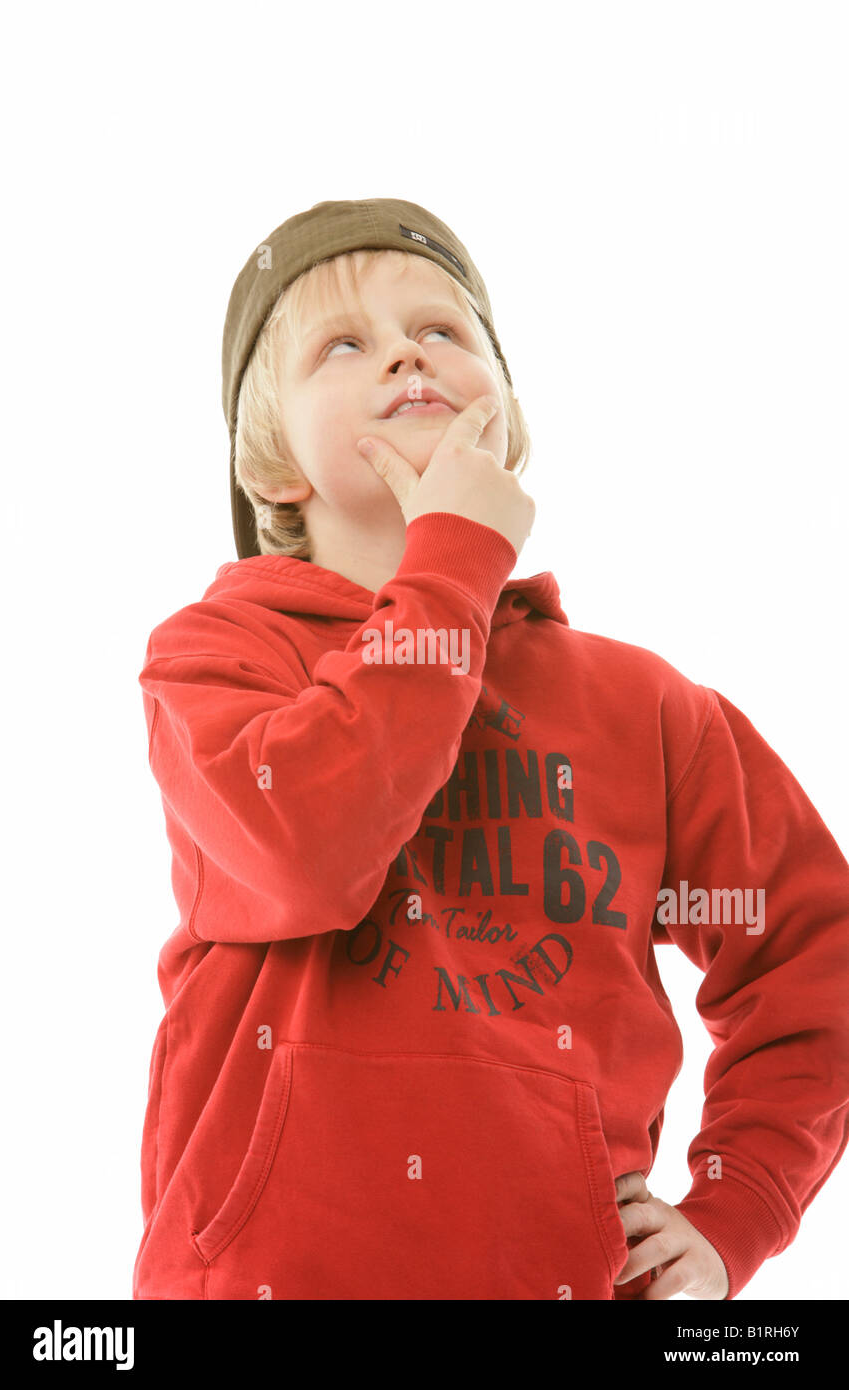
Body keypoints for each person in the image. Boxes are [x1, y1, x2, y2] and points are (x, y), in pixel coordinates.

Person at [132, 197, 849, 1301]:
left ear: (504, 420)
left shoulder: (640, 708)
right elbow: (305, 852)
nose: (407, 353)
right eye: (344, 344)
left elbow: (808, 951)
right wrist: (451, 564)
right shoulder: (220, 660)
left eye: (445, 331)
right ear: (273, 466)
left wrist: (734, 1204)